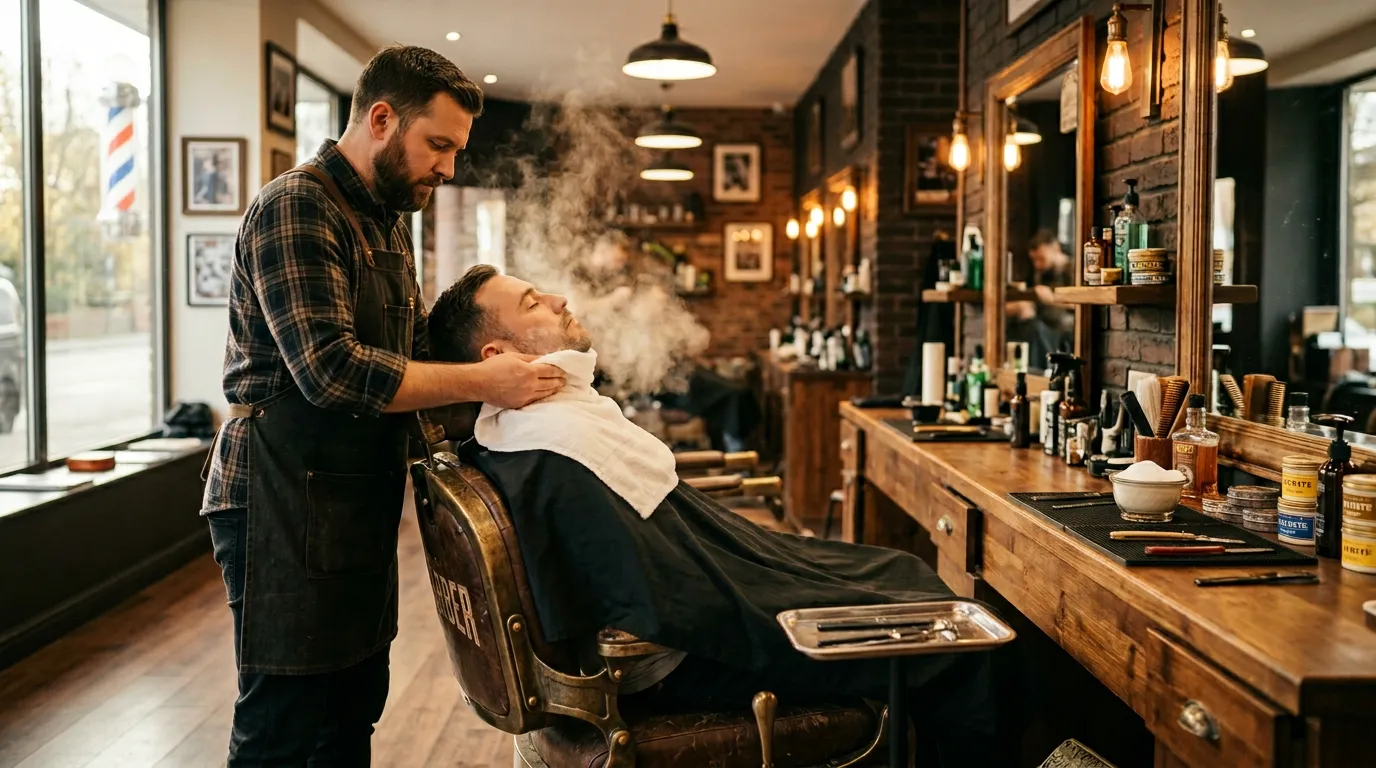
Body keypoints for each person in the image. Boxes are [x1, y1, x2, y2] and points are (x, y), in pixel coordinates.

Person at [427, 265, 1004, 766]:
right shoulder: (549, 452)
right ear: (496, 358)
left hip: (697, 615)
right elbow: (659, 601)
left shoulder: (529, 434)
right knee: (951, 642)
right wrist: (776, 590)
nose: (558, 299)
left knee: (902, 572)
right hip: (684, 655)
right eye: (533, 303)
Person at [199, 46, 567, 766]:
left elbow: (417, 350)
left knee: (353, 707)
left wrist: (515, 363)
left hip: (352, 494)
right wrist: (486, 385)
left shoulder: (389, 220)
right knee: (285, 719)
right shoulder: (296, 208)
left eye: (457, 150)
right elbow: (332, 373)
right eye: (439, 145)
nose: (450, 167)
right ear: (380, 118)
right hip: (278, 500)